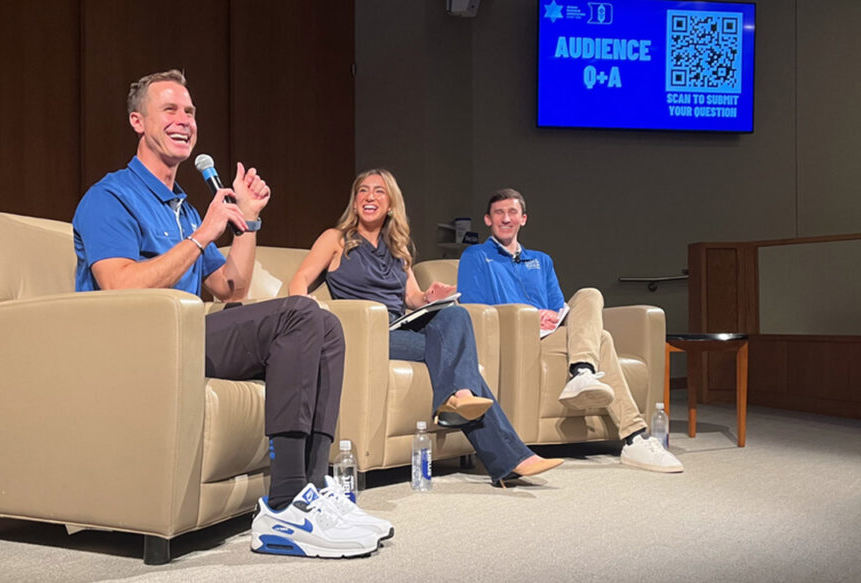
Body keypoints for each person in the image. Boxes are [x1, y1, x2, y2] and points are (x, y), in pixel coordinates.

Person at [72, 70, 391, 558]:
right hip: (141, 342)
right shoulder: (111, 196)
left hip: (189, 333)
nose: (185, 120)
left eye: (191, 112)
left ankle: (312, 488)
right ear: (138, 121)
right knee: (300, 315)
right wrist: (202, 235)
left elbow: (231, 287)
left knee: (324, 322)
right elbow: (117, 285)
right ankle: (283, 506)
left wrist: (247, 221)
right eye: (170, 110)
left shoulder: (180, 205)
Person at [289, 169, 563, 487]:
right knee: (456, 359)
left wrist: (429, 297)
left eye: (379, 191)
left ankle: (462, 400)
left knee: (456, 316)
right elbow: (300, 279)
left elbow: (411, 297)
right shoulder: (335, 239)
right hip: (365, 335)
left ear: (391, 203)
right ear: (354, 201)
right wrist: (305, 316)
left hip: (399, 329)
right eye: (362, 191)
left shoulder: (398, 248)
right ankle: (506, 449)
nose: (369, 197)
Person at [457, 188, 683, 473]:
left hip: (553, 334)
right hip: (518, 337)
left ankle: (584, 373)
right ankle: (634, 435)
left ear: (523, 219)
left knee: (589, 294)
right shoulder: (475, 255)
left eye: (512, 212)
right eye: (498, 213)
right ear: (487, 220)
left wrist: (554, 314)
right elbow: (473, 305)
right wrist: (529, 315)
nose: (505, 218)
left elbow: (558, 304)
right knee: (602, 338)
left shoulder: (542, 260)